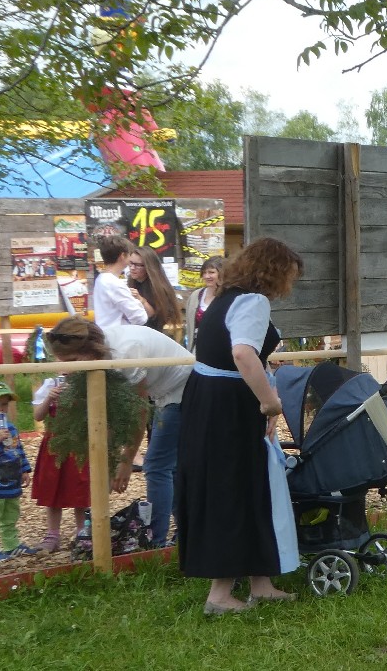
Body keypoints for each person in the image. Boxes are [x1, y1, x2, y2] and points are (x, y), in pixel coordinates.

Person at [175, 237, 304, 614]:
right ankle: (219, 595)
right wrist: (269, 402)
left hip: (209, 398)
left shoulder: (222, 298)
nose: (290, 284)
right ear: (274, 272)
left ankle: (261, 583)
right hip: (229, 406)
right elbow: (243, 354)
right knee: (232, 487)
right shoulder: (253, 301)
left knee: (250, 486)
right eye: (289, 275)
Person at [44, 317, 194, 546]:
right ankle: (186, 533)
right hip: (164, 392)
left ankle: (155, 542)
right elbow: (111, 414)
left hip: (183, 389)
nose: (68, 369)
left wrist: (125, 461)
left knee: (157, 466)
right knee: (169, 468)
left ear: (91, 349)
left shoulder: (125, 353)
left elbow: (137, 412)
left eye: (73, 360)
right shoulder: (100, 353)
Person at [29, 366, 88, 555]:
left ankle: (83, 533)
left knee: (81, 488)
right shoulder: (51, 384)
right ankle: (52, 535)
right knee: (52, 487)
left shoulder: (87, 384)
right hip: (55, 444)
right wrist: (49, 398)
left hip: (78, 444)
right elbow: (38, 415)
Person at [0, 379, 33, 563]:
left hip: (11, 482)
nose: (0, 409)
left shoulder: (10, 428)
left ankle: (11, 544)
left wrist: (24, 469)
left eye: (4, 404)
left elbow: (17, 449)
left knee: (11, 515)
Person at [91, 235, 146, 330]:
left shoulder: (101, 279)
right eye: (129, 254)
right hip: (117, 335)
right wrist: (137, 302)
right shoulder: (115, 284)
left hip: (105, 333)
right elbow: (140, 318)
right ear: (123, 256)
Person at [128, 246, 183, 337]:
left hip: (154, 334)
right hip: (134, 333)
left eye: (138, 265)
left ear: (148, 266)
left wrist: (141, 300)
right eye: (130, 263)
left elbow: (154, 316)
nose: (132, 268)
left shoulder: (159, 287)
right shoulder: (132, 281)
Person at [182, 256, 225, 351]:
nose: (206, 276)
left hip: (221, 349)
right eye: (204, 273)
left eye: (211, 272)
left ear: (222, 273)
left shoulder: (228, 296)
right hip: (197, 348)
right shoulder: (196, 295)